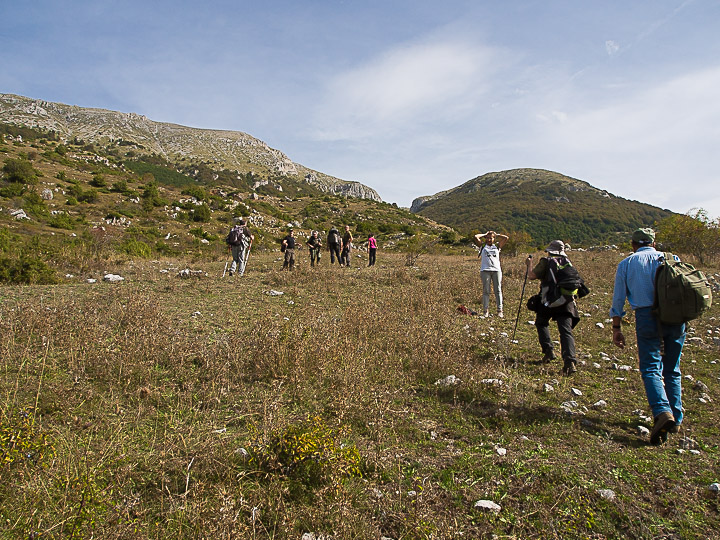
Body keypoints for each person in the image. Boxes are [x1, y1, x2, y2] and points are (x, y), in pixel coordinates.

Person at [610, 228, 686, 445]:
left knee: (651, 367)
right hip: (675, 316)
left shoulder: (627, 263)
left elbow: (618, 300)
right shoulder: (672, 259)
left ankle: (662, 412)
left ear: (633, 244)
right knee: (672, 367)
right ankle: (676, 418)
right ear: (654, 243)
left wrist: (617, 328)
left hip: (646, 315)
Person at [525, 240, 580, 376]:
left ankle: (549, 351)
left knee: (541, 322)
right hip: (566, 301)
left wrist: (529, 264)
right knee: (566, 331)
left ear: (550, 250)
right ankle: (569, 362)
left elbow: (532, 276)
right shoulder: (567, 262)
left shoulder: (546, 261)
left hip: (549, 300)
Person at [474, 230, 508, 317]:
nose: (489, 239)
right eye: (488, 238)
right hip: (485, 270)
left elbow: (506, 238)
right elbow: (476, 237)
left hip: (496, 270)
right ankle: (486, 311)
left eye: (491, 238)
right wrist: (485, 234)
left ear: (494, 239)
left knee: (498, 290)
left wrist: (497, 234)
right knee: (486, 291)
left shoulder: (497, 246)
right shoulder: (483, 246)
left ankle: (500, 310)